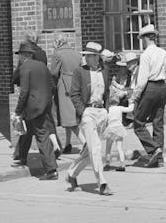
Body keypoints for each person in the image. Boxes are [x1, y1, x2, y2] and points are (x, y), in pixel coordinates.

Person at [67, 42, 112, 195]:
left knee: (91, 149)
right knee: (96, 149)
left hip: (101, 113)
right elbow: (74, 94)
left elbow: (107, 93)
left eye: (89, 56)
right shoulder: (79, 71)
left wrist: (106, 110)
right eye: (85, 55)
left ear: (96, 57)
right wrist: (83, 111)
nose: (86, 58)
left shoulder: (105, 71)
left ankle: (72, 173)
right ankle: (103, 183)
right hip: (88, 113)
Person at [13, 40, 59, 180]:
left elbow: (24, 91)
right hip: (44, 105)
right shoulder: (42, 66)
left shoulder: (25, 68)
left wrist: (17, 111)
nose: (19, 58)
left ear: (24, 55)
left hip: (33, 107)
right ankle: (21, 156)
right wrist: (46, 99)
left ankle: (51, 170)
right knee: (28, 132)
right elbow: (52, 85)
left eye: (20, 55)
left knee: (42, 137)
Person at [131, 24, 166, 168]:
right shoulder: (163, 52)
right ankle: (159, 158)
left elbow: (141, 81)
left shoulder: (146, 55)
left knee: (138, 122)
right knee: (158, 121)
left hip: (150, 87)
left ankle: (154, 149)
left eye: (142, 38)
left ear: (145, 38)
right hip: (162, 87)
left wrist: (135, 96)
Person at [49, 32, 82, 154]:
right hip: (76, 87)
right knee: (70, 115)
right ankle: (68, 143)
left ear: (58, 42)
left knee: (68, 118)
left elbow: (53, 73)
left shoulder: (58, 54)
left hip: (64, 87)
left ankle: (85, 144)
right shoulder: (77, 54)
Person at [103, 90, 134, 172]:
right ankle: (122, 164)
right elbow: (130, 109)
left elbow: (104, 120)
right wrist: (131, 101)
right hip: (119, 128)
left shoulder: (108, 110)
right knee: (120, 147)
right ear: (118, 101)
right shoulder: (120, 108)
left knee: (108, 148)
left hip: (110, 129)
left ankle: (107, 164)